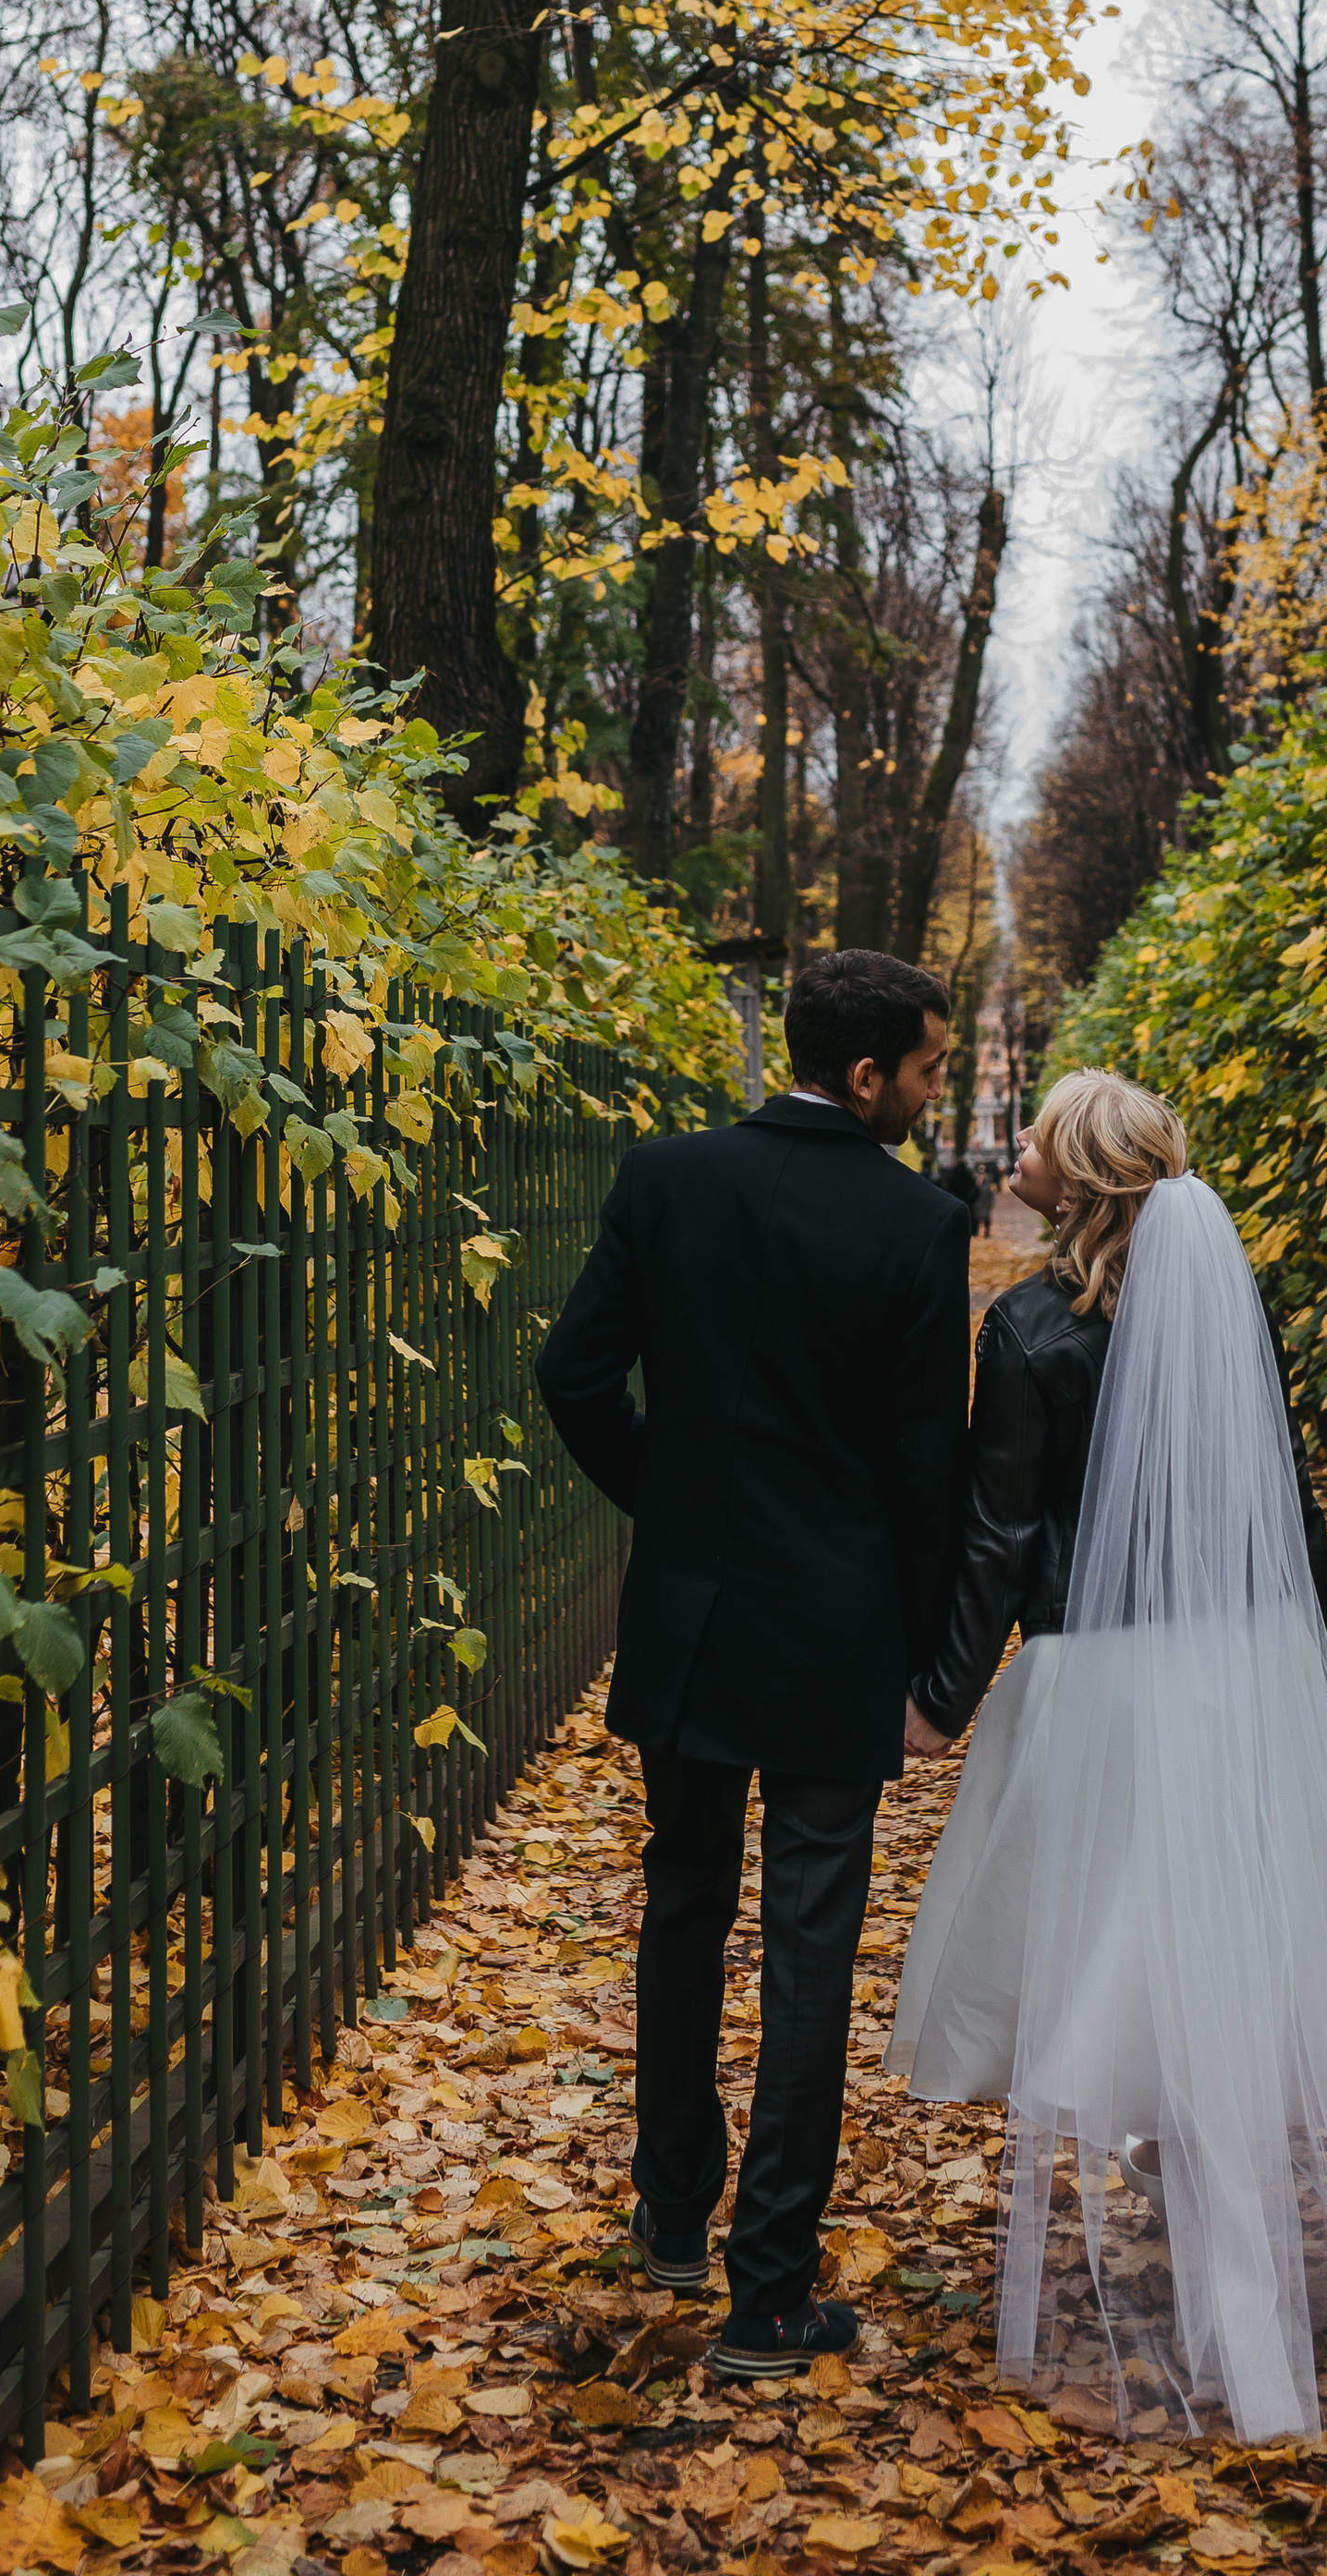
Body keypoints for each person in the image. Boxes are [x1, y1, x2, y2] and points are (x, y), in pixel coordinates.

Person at [887, 1070, 1327, 2441]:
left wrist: (941, 1696)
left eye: (1035, 1132)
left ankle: (1229, 2304)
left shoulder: (1027, 1329)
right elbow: (1289, 1499)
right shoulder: (1219, 1307)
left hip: (1102, 1684)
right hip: (1236, 1674)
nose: (1014, 1146)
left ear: (1076, 1175)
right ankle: (1233, 2267)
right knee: (1208, 1956)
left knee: (1119, 1962)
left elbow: (1000, 1539)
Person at [536, 947, 971, 2380]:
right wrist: (924, 1652)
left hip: (699, 1613)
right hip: (838, 1634)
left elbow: (574, 1375)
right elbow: (926, 1468)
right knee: (807, 1951)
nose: (930, 1091)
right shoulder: (918, 1225)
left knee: (680, 1908)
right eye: (921, 1069)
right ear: (863, 1077)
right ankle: (769, 2294)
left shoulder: (668, 1179)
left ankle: (671, 2214)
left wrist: (670, 1504)